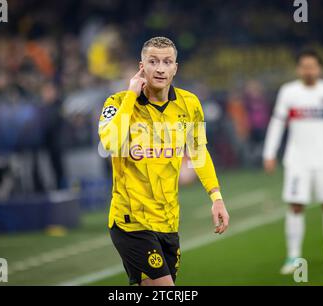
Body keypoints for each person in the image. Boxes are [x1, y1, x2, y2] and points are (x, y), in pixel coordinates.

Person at [98, 37, 229, 286]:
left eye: (167, 62)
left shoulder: (189, 104)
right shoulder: (116, 103)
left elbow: (199, 153)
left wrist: (216, 197)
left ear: (175, 68)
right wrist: (130, 95)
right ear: (141, 66)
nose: (160, 68)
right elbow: (110, 143)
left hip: (169, 222)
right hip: (131, 222)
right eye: (153, 61)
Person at [262, 50, 323, 274]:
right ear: (298, 69)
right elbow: (277, 123)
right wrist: (269, 153)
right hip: (297, 161)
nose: (308, 70)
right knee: (295, 206)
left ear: (319, 68)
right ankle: (293, 257)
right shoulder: (288, 92)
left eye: (312, 66)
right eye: (304, 66)